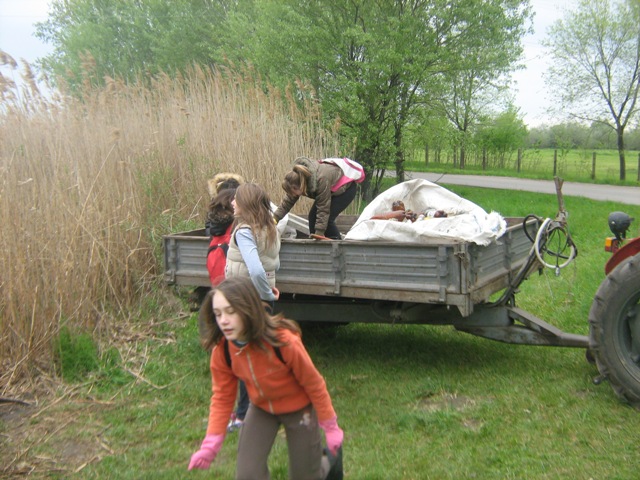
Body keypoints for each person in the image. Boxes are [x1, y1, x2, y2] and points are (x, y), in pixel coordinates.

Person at [188, 277, 344, 479]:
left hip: (299, 409)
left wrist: (330, 427)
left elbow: (314, 384)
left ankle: (328, 462)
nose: (223, 320)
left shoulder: (284, 341)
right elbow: (222, 397)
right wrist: (210, 446)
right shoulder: (223, 349)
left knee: (305, 476)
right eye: (218, 314)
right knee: (248, 475)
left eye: (231, 311)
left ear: (248, 309)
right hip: (262, 409)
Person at [223, 182, 282, 431]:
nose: (232, 202)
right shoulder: (270, 226)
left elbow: (256, 269)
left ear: (245, 204)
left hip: (246, 299)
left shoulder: (244, 231)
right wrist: (269, 290)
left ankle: (244, 415)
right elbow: (272, 264)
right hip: (261, 297)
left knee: (245, 358)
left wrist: (265, 291)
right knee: (259, 355)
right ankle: (267, 407)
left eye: (236, 199)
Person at [273, 156, 365, 240]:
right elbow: (286, 203)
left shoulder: (320, 179)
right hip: (331, 191)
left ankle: (338, 247)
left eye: (292, 192)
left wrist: (319, 233)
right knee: (312, 217)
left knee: (327, 220)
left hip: (346, 190)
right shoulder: (297, 181)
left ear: (299, 186)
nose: (292, 195)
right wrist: (274, 219)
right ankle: (316, 248)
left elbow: (323, 209)